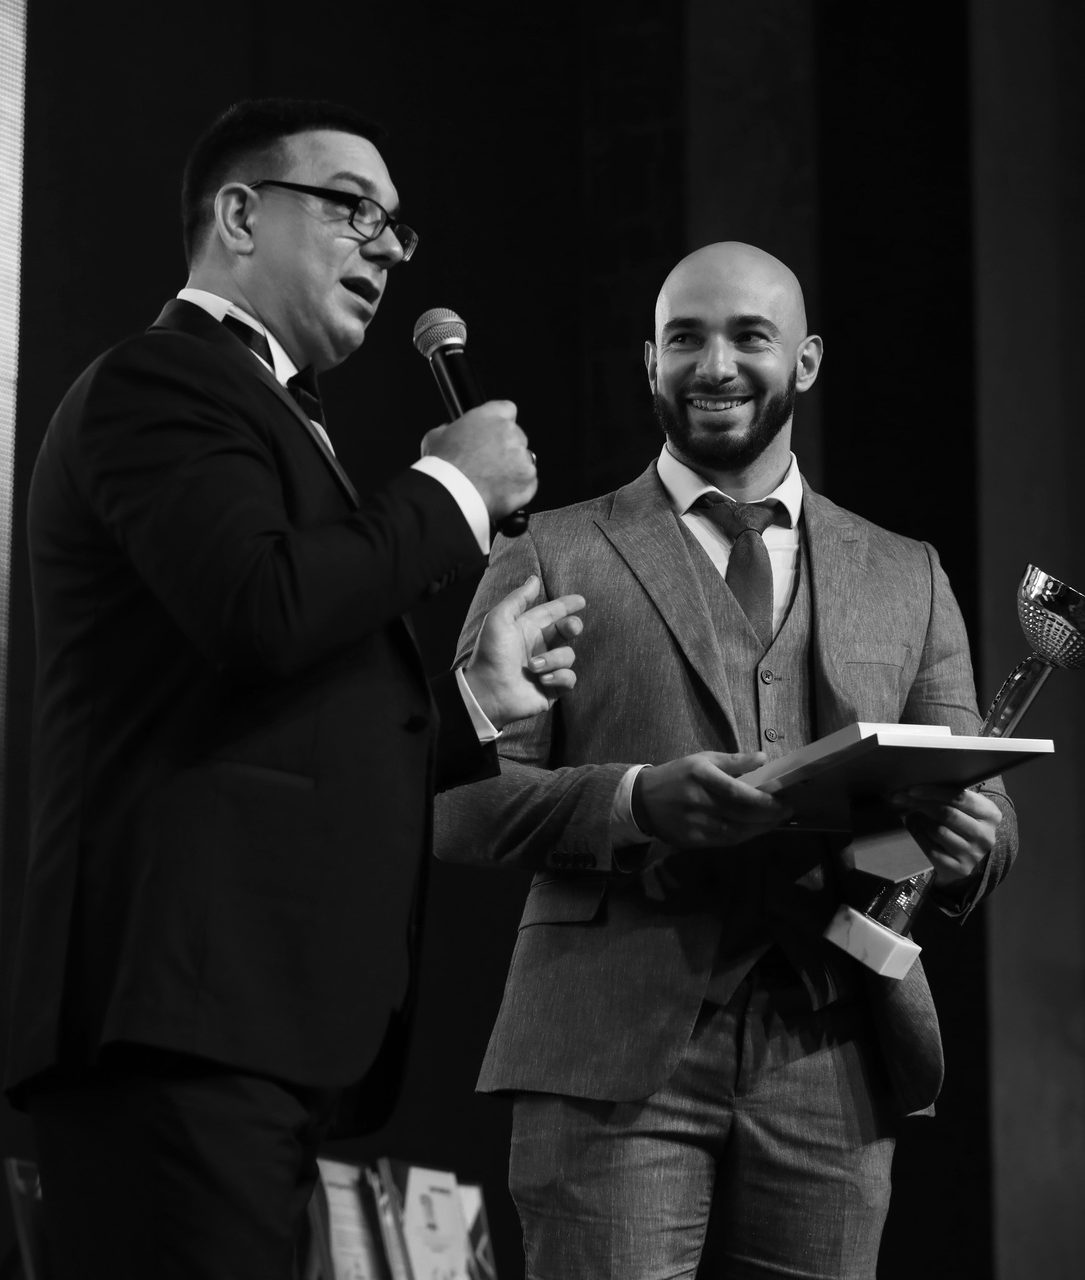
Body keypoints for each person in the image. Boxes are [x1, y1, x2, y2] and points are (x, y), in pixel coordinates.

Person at [3, 98, 584, 1277]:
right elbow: (259, 606)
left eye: (397, 226)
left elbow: (283, 711)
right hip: (177, 1019)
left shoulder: (268, 410)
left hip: (253, 1026)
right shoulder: (158, 382)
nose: (385, 245)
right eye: (351, 207)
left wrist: (472, 701)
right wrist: (451, 490)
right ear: (238, 215)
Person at [436, 241, 1019, 1277]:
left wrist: (969, 840)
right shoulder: (548, 549)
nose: (714, 366)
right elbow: (457, 804)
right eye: (685, 339)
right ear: (648, 363)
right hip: (606, 1050)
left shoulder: (908, 574)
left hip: (834, 1050)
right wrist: (634, 802)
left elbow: (970, 809)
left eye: (750, 336)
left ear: (806, 360)